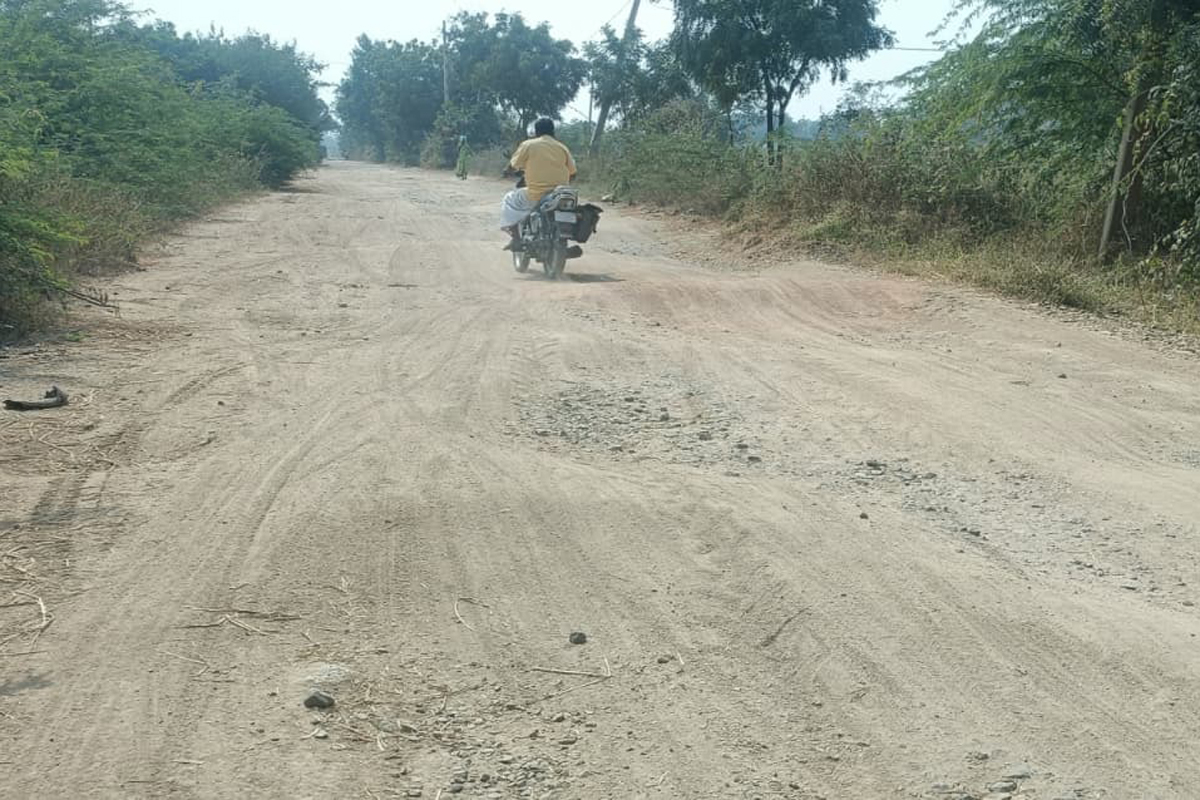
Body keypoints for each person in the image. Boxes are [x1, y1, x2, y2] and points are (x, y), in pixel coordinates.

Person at [499, 118, 577, 251]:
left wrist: (506, 171)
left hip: (536, 195)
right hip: (559, 194)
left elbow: (513, 165)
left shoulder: (528, 145)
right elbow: (573, 173)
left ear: (536, 131)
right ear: (553, 131)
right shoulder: (562, 147)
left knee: (509, 199)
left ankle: (516, 239)